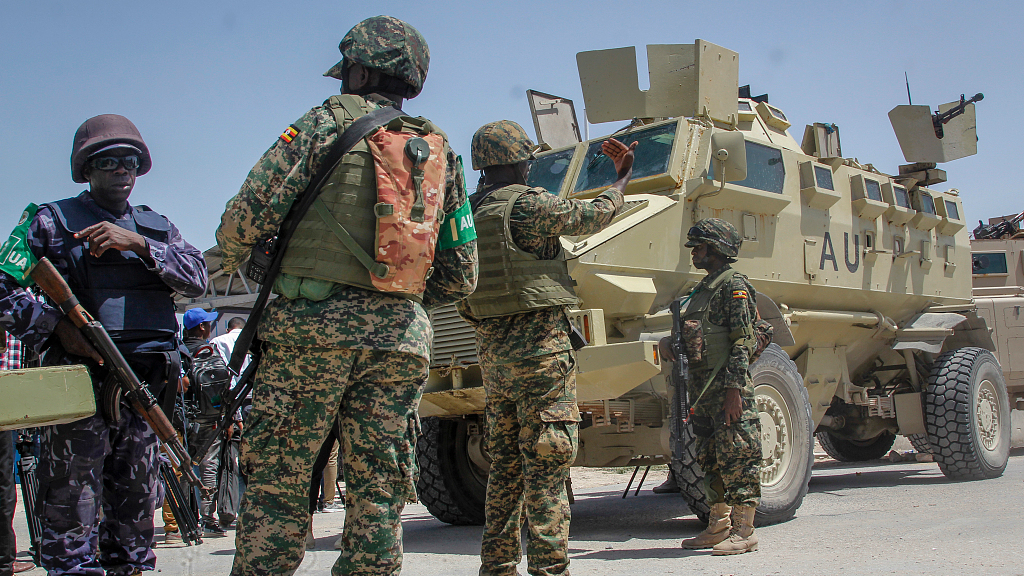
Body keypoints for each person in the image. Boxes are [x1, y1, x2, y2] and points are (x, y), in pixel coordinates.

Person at [215, 15, 477, 575]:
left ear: (357, 70)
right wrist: (392, 300)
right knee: (380, 489)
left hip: (310, 330)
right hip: (401, 342)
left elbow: (241, 222)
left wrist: (261, 257)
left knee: (281, 480)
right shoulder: (439, 153)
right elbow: (461, 274)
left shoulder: (318, 126)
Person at [0, 114, 208, 575]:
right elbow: (3, 282)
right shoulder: (50, 222)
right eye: (109, 161)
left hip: (142, 387)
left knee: (136, 501)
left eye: (130, 161)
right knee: (72, 499)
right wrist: (55, 326)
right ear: (86, 169)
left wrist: (137, 244)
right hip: (80, 386)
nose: (122, 170)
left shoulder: (155, 227)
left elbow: (197, 278)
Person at [458, 120, 636, 576]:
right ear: (521, 160)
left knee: (503, 470)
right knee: (547, 467)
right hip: (542, 356)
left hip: (493, 359)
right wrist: (621, 178)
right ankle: (549, 568)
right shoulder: (529, 205)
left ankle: (496, 567)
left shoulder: (464, 212)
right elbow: (593, 216)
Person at [660, 217, 761, 555]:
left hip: (727, 390)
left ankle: (745, 531)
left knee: (739, 457)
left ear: (717, 249)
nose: (694, 252)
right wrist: (670, 344)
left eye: (700, 247)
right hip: (702, 391)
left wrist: (734, 392)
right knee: (710, 458)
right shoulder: (702, 289)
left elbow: (743, 341)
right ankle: (718, 525)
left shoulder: (733, 286)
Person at [0, 333, 35, 575]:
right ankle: (3, 562)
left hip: (10, 397)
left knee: (4, 488)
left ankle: (4, 559)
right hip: (6, 397)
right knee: (2, 488)